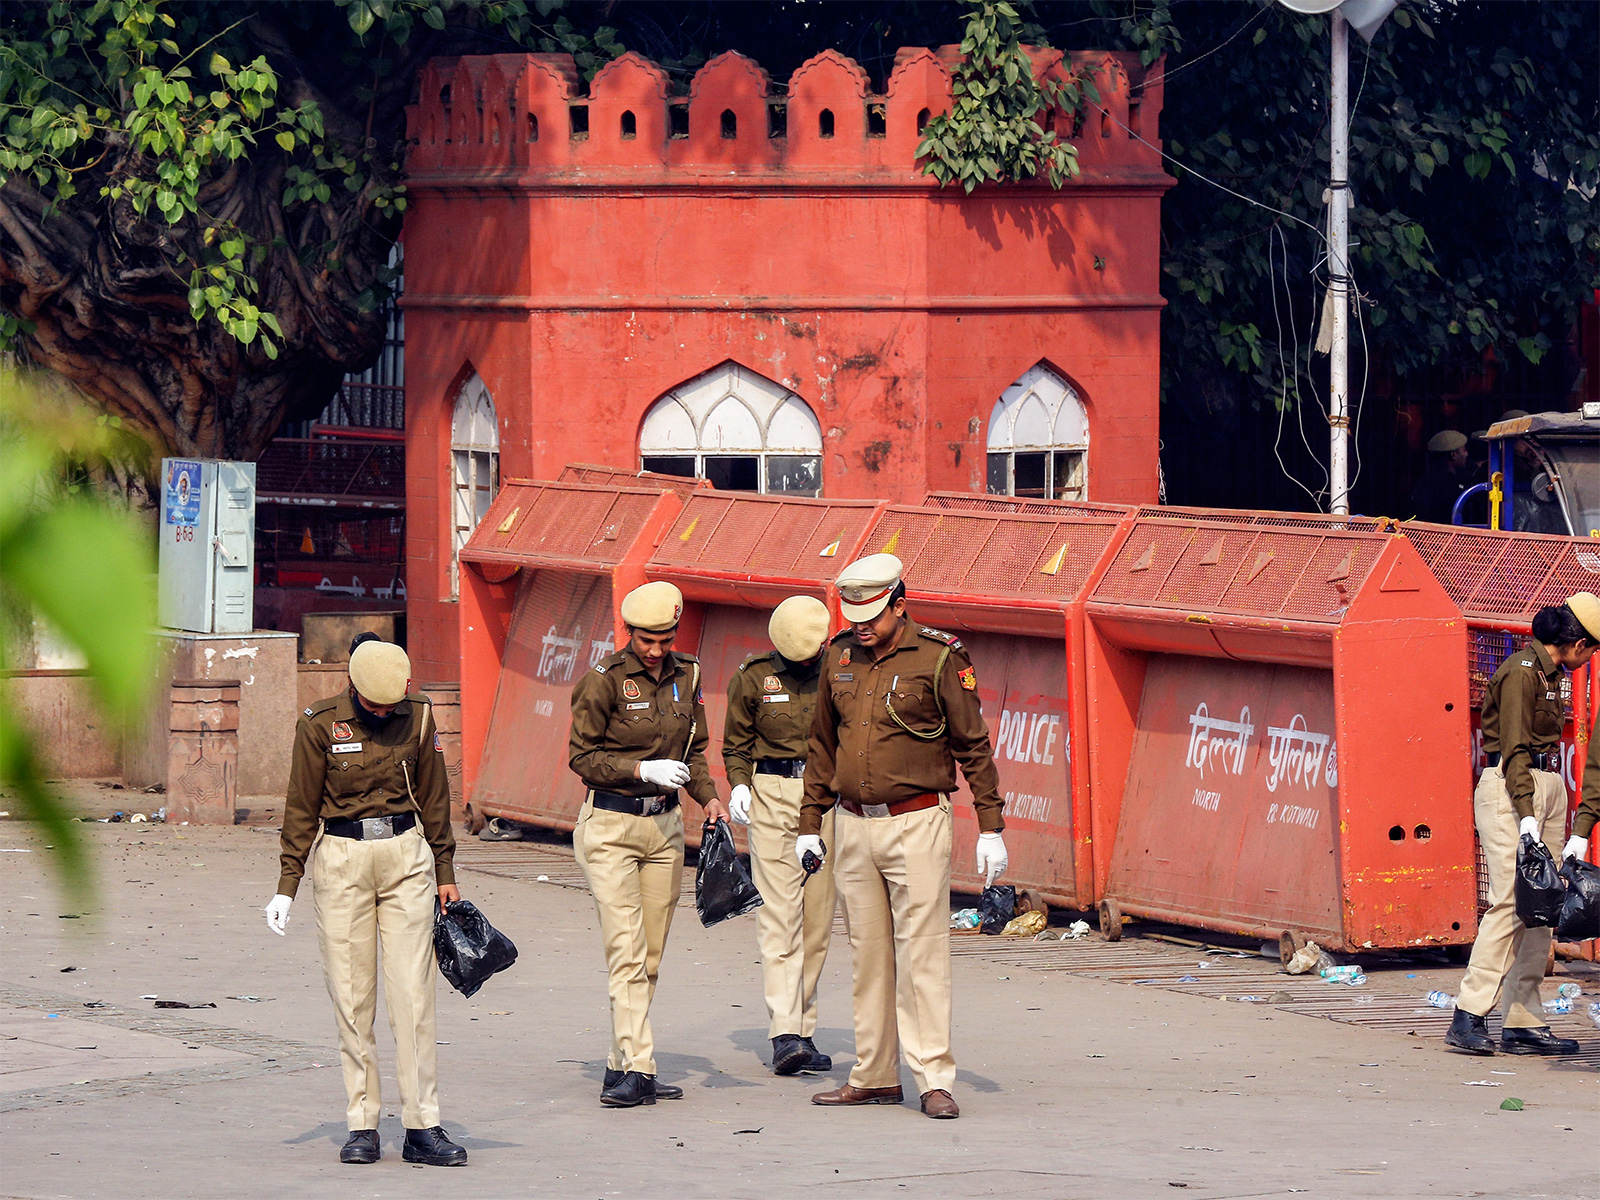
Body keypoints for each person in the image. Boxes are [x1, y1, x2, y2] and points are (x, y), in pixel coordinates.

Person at [798, 554, 1007, 1120]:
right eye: (854, 613)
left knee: (923, 956)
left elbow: (973, 744)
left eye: (872, 612)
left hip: (916, 821)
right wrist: (808, 823)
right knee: (868, 955)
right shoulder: (839, 656)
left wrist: (991, 826)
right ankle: (873, 1075)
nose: (862, 624)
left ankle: (933, 1076)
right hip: (851, 824)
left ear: (899, 603)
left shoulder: (940, 657)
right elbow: (822, 744)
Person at [264, 639, 467, 1166]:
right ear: (352, 688)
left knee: (414, 1000)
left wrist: (446, 871)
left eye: (390, 706)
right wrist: (287, 885)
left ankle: (423, 1126)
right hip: (342, 859)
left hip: (406, 858)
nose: (383, 715)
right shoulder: (318, 723)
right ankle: (363, 1124)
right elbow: (300, 808)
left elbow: (436, 797)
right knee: (353, 1000)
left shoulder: (418, 716)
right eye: (373, 708)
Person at [568, 580, 729, 1107]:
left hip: (664, 829)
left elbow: (695, 750)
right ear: (628, 632)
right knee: (626, 952)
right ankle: (640, 1067)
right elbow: (582, 757)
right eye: (645, 640)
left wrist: (709, 799)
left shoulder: (690, 674)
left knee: (651, 956)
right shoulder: (603, 681)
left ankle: (620, 1063)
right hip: (611, 826)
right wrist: (640, 767)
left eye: (664, 639)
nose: (656, 650)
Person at [1445, 594, 1600, 1057]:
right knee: (1510, 900)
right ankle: (1468, 1014)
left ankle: (1522, 1020)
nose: (1591, 657)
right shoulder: (1520, 672)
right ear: (1574, 642)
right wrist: (1527, 814)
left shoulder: (1554, 678)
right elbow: (1512, 748)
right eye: (1591, 648)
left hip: (1546, 784)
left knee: (1543, 903)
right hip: (1511, 789)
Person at [724, 595, 836, 1077]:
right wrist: (740, 784)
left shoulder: (842, 672)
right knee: (778, 915)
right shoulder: (753, 676)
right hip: (772, 793)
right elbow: (736, 743)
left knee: (817, 920)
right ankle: (784, 1033)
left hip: (827, 795)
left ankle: (804, 1029)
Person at [1408, 429, 1472, 524]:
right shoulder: (1442, 485)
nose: (1467, 454)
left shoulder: (1428, 481)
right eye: (1464, 450)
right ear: (1453, 455)